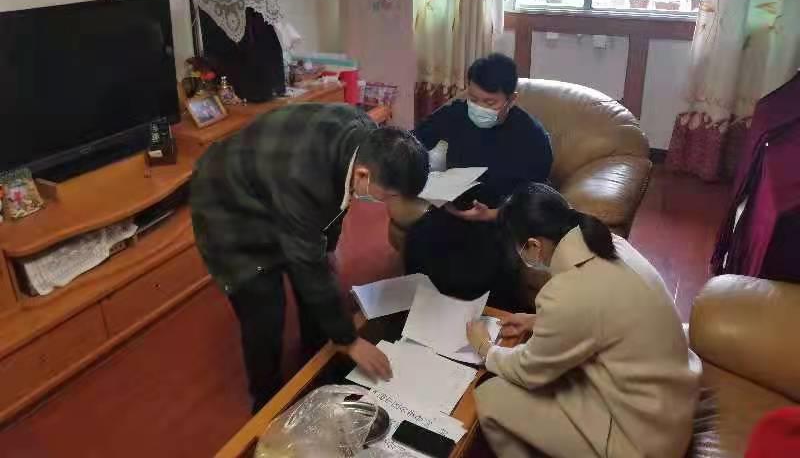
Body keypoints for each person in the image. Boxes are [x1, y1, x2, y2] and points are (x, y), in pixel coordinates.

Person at [190, 103, 429, 413]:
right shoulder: (306, 181)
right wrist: (351, 340)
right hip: (227, 201)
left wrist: (328, 246)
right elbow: (306, 262)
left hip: (272, 180)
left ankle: (316, 362)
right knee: (264, 308)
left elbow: (338, 202)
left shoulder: (366, 140)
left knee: (316, 276)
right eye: (391, 196)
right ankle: (266, 400)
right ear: (363, 174)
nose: (389, 205)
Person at [467, 183, 701, 458]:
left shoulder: (568, 291)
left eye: (518, 248)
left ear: (533, 245)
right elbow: (602, 314)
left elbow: (529, 371)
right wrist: (537, 321)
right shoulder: (611, 243)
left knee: (490, 396)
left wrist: (486, 349)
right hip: (670, 407)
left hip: (643, 440)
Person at [407, 53, 552, 310]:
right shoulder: (456, 114)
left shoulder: (532, 138)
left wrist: (494, 214)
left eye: (490, 102)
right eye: (473, 99)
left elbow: (535, 198)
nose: (478, 107)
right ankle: (420, 315)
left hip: (500, 219)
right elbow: (413, 142)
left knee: (483, 267)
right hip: (452, 207)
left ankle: (482, 322)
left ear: (511, 99)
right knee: (417, 241)